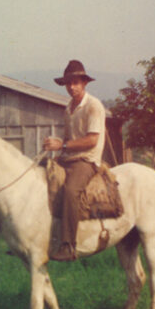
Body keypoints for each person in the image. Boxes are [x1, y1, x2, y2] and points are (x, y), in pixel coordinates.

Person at [42, 60, 107, 261]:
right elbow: (70, 139)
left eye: (76, 82)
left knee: (70, 191)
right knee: (39, 175)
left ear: (84, 83)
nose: (72, 87)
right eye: (69, 83)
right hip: (69, 157)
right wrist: (57, 147)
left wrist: (61, 145)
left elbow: (91, 140)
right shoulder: (68, 108)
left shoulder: (93, 106)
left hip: (87, 161)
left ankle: (68, 245)